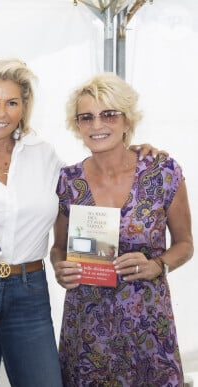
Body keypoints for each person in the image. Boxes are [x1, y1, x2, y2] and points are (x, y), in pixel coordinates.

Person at [0, 58, 160, 387]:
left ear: (23, 109)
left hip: (28, 292)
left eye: (12, 103)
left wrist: (131, 152)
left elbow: (86, 181)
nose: (1, 112)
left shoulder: (44, 155)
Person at [50, 72, 193, 386]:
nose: (97, 125)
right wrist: (60, 269)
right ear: (77, 126)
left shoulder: (162, 173)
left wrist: (158, 264)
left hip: (148, 330)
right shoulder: (67, 182)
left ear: (128, 121)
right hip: (87, 332)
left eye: (109, 115)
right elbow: (58, 247)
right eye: (86, 117)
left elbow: (185, 244)